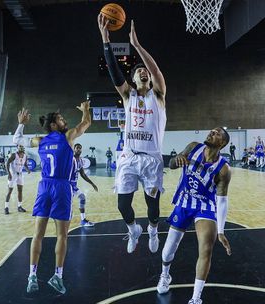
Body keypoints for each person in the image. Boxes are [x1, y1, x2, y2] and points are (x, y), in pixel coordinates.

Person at [99, 15, 166, 253]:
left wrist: (136, 46)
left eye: (144, 71)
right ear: (133, 78)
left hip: (151, 157)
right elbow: (115, 73)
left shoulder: (157, 95)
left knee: (152, 205)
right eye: (138, 71)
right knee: (122, 205)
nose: (143, 72)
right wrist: (105, 40)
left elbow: (155, 70)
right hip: (129, 156)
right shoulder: (128, 96)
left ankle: (153, 230)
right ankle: (133, 230)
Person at [14, 103, 91, 295]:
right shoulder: (67, 137)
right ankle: (57, 276)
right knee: (62, 235)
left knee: (37, 234)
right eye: (61, 119)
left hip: (45, 186)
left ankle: (32, 275)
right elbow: (86, 123)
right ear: (54, 125)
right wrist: (86, 109)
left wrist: (21, 124)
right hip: (62, 187)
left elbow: (17, 140)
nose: (64, 120)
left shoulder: (40, 140)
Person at [156, 128, 232, 304]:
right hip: (183, 202)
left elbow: (221, 201)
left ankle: (196, 298)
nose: (211, 133)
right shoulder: (193, 147)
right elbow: (172, 164)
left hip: (205, 206)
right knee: (168, 251)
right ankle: (165, 275)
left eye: (217, 133)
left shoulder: (223, 169)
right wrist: (177, 159)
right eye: (211, 131)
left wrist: (221, 231)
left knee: (206, 248)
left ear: (222, 143)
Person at [71, 143, 98, 227]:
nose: (78, 149)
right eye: (77, 148)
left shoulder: (80, 160)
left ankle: (83, 220)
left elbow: (83, 174)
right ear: (74, 149)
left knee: (82, 197)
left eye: (80, 148)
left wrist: (92, 184)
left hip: (73, 185)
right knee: (67, 205)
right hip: (68, 185)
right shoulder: (71, 159)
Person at [4, 145, 31, 215]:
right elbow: (7, 163)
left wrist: (27, 169)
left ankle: (19, 206)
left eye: (22, 150)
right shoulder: (14, 155)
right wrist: (9, 173)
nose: (21, 151)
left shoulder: (25, 156)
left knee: (20, 191)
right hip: (13, 174)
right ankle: (6, 207)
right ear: (18, 150)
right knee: (10, 191)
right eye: (20, 150)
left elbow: (25, 164)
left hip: (20, 174)